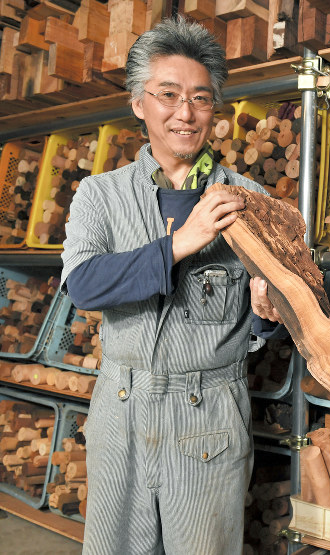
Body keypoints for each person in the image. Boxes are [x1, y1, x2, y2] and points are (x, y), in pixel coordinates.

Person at [61, 16, 280, 554]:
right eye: (168, 94)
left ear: (215, 110)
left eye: (201, 99)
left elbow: (279, 311)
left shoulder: (247, 198)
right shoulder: (99, 195)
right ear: (139, 103)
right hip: (121, 404)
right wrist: (186, 239)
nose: (185, 113)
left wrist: (265, 313)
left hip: (208, 411)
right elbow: (84, 285)